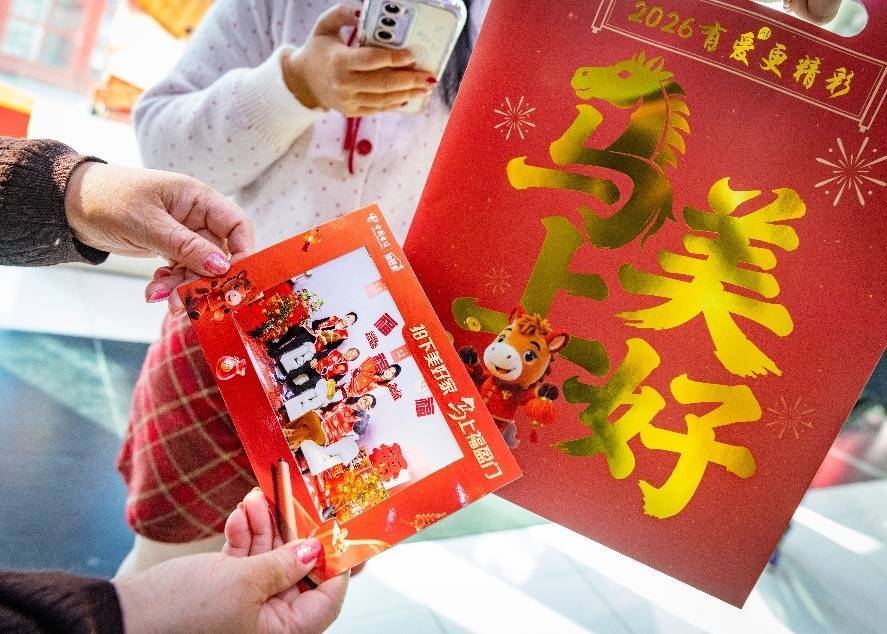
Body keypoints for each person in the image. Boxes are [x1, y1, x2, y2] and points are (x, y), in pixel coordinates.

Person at [121, 0, 490, 569]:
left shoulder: (502, 29)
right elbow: (163, 150)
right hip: (223, 337)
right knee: (167, 565)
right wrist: (295, 84)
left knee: (308, 577)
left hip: (367, 372)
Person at [0, 137, 347, 633]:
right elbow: (175, 142)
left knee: (291, 556)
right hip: (216, 342)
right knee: (169, 547)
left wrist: (80, 195)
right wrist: (139, 611)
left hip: (340, 379)